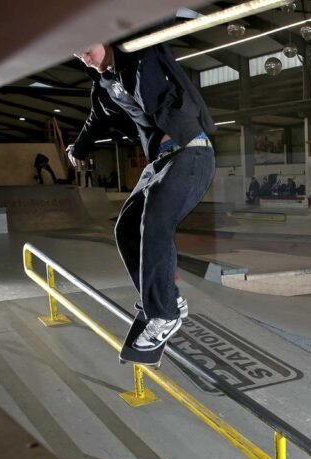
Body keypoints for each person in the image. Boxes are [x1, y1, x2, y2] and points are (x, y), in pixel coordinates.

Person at [69, 30, 216, 356]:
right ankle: (168, 299)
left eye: (88, 50)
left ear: (105, 37)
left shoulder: (140, 51)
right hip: (159, 162)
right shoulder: (104, 86)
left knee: (155, 224)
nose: (86, 59)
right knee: (125, 228)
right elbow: (95, 120)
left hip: (191, 151)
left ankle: (165, 315)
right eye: (79, 57)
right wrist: (77, 149)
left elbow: (151, 26)